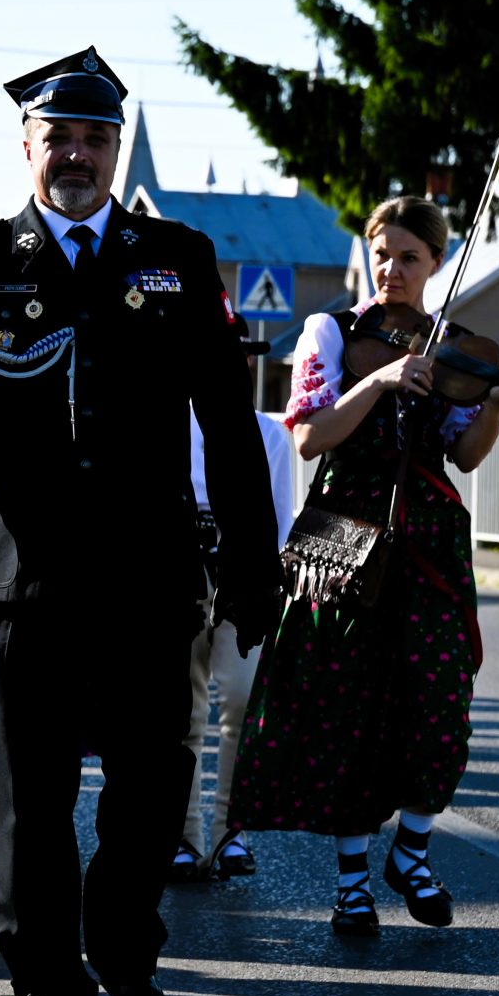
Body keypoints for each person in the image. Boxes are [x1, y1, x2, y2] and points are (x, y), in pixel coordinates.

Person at [0, 47, 279, 996]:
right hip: (20, 579)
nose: (76, 154)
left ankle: (129, 961)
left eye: (95, 138)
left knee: (150, 791)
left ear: (116, 148)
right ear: (24, 144)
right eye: (58, 136)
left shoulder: (176, 257)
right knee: (31, 801)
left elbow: (227, 421)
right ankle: (48, 989)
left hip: (150, 576)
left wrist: (255, 563)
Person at [228, 196, 499, 936]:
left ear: (435, 263)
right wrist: (381, 380)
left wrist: (496, 405)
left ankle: (413, 850)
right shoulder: (332, 331)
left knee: (440, 703)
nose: (391, 269)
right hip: (345, 531)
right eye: (381, 254)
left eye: (408, 257)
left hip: (427, 534)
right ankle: (352, 884)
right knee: (348, 707)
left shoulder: (455, 346)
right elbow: (310, 438)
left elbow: (465, 454)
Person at [171, 351, 299, 882]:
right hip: (177, 568)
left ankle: (231, 828)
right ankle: (183, 834)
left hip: (241, 570)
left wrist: (271, 583)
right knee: (183, 707)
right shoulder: (166, 420)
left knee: (243, 702)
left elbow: (280, 516)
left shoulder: (267, 432)